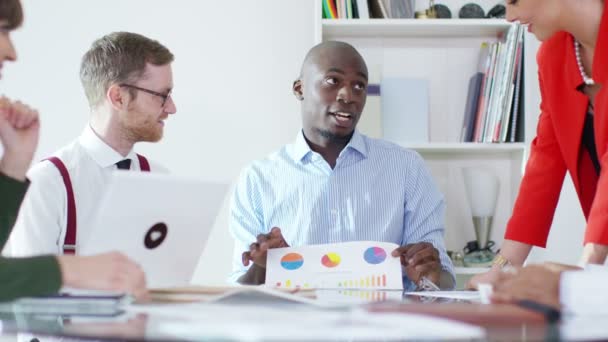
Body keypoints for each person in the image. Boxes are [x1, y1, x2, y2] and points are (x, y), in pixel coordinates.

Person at [229, 41, 455, 290]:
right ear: (299, 88)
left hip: (382, 326)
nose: (348, 95)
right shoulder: (257, 179)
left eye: (359, 86)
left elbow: (443, 283)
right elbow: (241, 291)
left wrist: (430, 275)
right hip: (295, 326)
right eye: (332, 81)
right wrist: (262, 267)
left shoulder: (407, 168)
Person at [0, 0, 146, 301]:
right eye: (2, 30)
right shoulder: (51, 178)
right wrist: (72, 270)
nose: (11, 52)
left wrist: (14, 163)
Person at [469, 0, 608, 288]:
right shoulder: (552, 57)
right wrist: (502, 268)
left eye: (514, 2)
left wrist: (587, 268)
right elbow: (544, 162)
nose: (509, 17)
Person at [5, 31, 177, 257]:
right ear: (118, 97)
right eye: (162, 95)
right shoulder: (46, 184)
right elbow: (31, 286)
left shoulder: (162, 180)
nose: (172, 108)